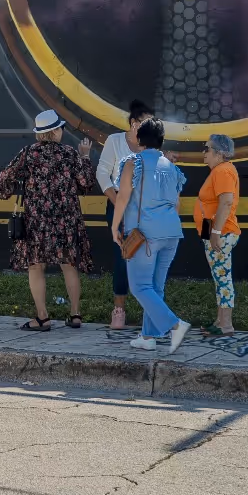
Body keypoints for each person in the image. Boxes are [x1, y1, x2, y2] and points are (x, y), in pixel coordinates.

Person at [0, 109, 97, 331]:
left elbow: (4, 179)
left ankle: (42, 317)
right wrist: (85, 156)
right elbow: (86, 183)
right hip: (66, 219)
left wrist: (10, 191)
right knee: (69, 265)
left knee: (36, 267)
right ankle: (75, 314)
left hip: (36, 220)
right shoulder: (69, 153)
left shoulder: (28, 153)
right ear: (56, 131)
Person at [113, 117, 191, 353]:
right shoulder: (171, 167)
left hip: (145, 234)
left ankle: (175, 325)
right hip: (172, 233)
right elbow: (176, 204)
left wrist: (114, 226)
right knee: (155, 287)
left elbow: (123, 197)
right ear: (161, 140)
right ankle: (148, 336)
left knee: (139, 287)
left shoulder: (133, 163)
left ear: (138, 139)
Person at [97, 99, 154, 329]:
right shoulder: (115, 141)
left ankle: (148, 312)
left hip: (145, 207)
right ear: (133, 122)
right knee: (123, 257)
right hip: (119, 205)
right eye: (145, 122)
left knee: (145, 257)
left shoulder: (151, 143)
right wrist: (116, 200)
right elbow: (102, 173)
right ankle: (119, 309)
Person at [194, 133, 241, 336]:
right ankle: (220, 321)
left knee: (222, 278)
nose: (203, 153)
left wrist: (215, 232)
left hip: (221, 232)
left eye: (207, 149)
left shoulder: (222, 171)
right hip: (214, 230)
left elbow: (226, 202)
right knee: (219, 277)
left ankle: (226, 324)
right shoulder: (219, 171)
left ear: (219, 153)